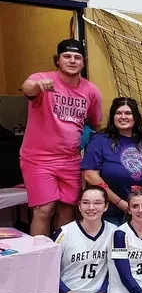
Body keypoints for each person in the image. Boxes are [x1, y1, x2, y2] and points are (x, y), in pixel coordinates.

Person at [20, 39, 103, 236]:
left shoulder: (91, 91)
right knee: (44, 209)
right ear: (58, 60)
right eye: (67, 56)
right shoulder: (42, 79)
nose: (72, 61)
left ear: (83, 62)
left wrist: (86, 141)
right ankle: (40, 261)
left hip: (71, 160)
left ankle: (63, 261)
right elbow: (27, 88)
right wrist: (38, 86)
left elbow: (95, 124)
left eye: (77, 57)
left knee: (68, 211)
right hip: (38, 159)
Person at [50, 186, 116, 293]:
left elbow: (114, 270)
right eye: (86, 203)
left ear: (106, 206)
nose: (91, 208)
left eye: (97, 203)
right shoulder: (64, 233)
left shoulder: (114, 233)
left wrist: (102, 292)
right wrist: (65, 291)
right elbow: (48, 270)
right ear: (79, 206)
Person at [82, 97, 142, 226]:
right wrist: (120, 203)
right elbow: (90, 175)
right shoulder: (100, 140)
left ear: (135, 117)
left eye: (128, 113)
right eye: (118, 113)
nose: (123, 117)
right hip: (112, 213)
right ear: (113, 116)